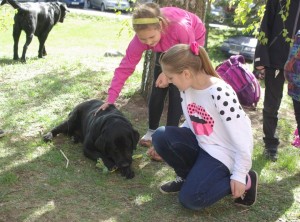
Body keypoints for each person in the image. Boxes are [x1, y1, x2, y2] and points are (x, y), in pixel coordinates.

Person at [152, 42, 258, 210]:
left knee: (191, 200)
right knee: (160, 136)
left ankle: (247, 180)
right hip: (203, 145)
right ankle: (187, 177)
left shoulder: (220, 92)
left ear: (186, 73)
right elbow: (194, 118)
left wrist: (239, 173)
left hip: (223, 153)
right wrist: (170, 144)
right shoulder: (187, 88)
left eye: (171, 78)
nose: (170, 82)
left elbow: (243, 136)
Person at [96, 3, 206, 160]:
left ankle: (170, 139)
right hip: (166, 44)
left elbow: (189, 57)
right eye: (143, 39)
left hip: (189, 45)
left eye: (151, 37)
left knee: (177, 89)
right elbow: (125, 67)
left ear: (160, 25)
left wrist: (168, 75)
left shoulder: (181, 28)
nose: (148, 42)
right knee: (158, 85)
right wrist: (111, 99)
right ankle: (152, 131)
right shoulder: (144, 39)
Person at [254, 0, 300, 161]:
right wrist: (260, 60)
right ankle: (270, 145)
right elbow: (265, 26)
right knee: (271, 106)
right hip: (276, 60)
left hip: (298, 65)